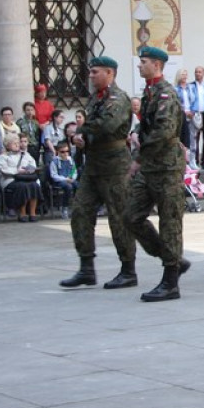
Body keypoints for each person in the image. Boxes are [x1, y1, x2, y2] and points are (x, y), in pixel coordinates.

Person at [60, 56, 141, 290]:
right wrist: (83, 139)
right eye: (91, 71)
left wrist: (82, 130)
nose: (91, 75)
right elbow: (95, 128)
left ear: (109, 73)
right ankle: (86, 267)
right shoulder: (95, 99)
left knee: (119, 218)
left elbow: (108, 125)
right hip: (94, 164)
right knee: (80, 212)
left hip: (115, 167)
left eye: (96, 71)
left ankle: (128, 270)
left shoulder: (118, 99)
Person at [125, 46, 189, 301]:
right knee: (131, 215)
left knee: (170, 222)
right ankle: (169, 256)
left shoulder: (166, 94)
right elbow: (149, 124)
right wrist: (137, 132)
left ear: (157, 65)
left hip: (166, 167)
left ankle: (170, 281)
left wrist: (139, 157)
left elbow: (164, 131)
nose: (139, 66)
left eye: (143, 62)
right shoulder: (150, 92)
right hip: (152, 166)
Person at [0, 134, 42, 222]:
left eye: (18, 143)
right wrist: (17, 171)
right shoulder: (3, 156)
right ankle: (22, 213)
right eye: (14, 143)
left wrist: (28, 170)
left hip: (24, 178)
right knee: (23, 186)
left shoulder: (25, 154)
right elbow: (4, 170)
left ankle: (32, 213)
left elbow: (32, 164)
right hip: (10, 180)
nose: (18, 145)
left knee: (34, 185)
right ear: (8, 145)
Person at [48, 140, 78, 219]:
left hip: (70, 179)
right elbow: (53, 175)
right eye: (63, 152)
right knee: (68, 187)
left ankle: (77, 206)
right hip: (59, 181)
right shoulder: (54, 162)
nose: (65, 153)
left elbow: (74, 171)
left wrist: (72, 178)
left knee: (79, 186)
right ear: (58, 152)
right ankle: (64, 207)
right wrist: (65, 179)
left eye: (67, 151)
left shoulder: (70, 160)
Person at [174, 69, 193, 150]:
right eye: (182, 75)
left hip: (192, 114)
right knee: (184, 136)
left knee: (193, 138)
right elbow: (176, 103)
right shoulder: (175, 89)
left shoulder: (191, 87)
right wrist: (184, 112)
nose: (185, 76)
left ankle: (192, 160)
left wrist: (193, 111)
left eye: (185, 74)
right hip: (182, 114)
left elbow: (195, 100)